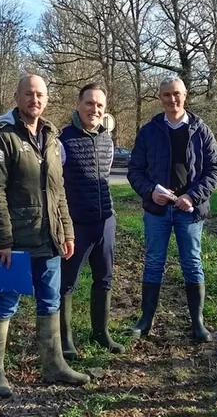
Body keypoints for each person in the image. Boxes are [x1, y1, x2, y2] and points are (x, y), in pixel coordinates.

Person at [0, 73, 90, 398]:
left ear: (47, 99)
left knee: (50, 300)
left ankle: (54, 365)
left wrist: (66, 231)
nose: (34, 99)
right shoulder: (0, 137)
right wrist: (3, 241)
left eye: (40, 94)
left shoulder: (52, 137)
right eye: (28, 94)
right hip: (16, 242)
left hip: (50, 238)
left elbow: (59, 191)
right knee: (6, 302)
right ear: (17, 97)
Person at [126, 76, 217, 343]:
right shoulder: (149, 131)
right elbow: (135, 170)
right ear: (160, 98)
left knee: (192, 263)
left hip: (189, 211)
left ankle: (198, 323)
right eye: (166, 94)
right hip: (157, 211)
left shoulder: (201, 130)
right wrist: (150, 191)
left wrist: (193, 196)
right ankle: (145, 320)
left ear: (185, 95)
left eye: (176, 94)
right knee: (153, 262)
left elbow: (215, 170)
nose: (172, 99)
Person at [58, 82, 125, 359]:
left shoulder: (107, 139)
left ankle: (101, 334)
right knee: (66, 283)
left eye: (99, 105)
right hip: (76, 224)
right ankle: (64, 340)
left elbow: (105, 177)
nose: (94, 109)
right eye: (89, 103)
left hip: (105, 221)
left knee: (104, 279)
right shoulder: (62, 140)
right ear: (78, 105)